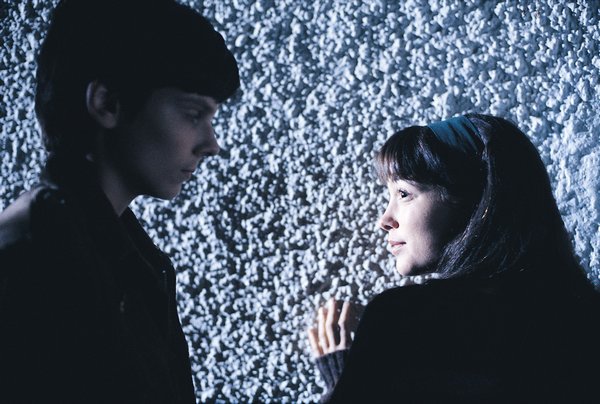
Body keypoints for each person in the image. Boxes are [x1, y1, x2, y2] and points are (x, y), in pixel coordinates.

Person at [0, 0, 239, 402]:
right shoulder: (34, 258)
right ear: (107, 103)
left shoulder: (128, 258)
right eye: (193, 114)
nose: (211, 144)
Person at [308, 114, 600, 402]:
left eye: (404, 194)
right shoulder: (583, 319)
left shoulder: (406, 322)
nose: (384, 220)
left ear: (477, 200)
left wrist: (346, 384)